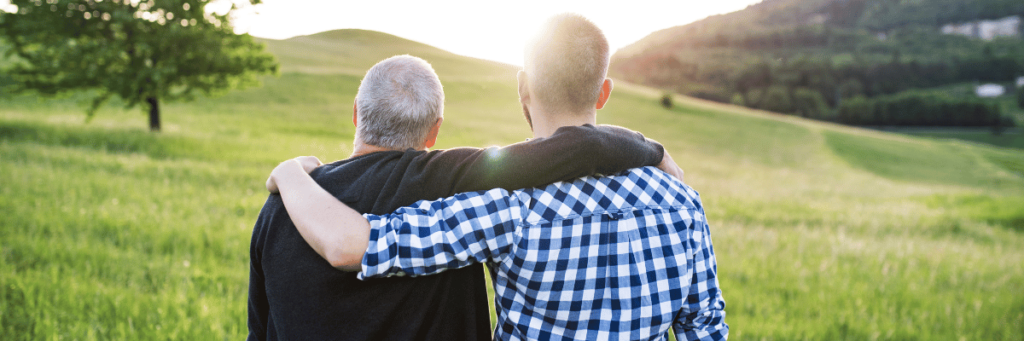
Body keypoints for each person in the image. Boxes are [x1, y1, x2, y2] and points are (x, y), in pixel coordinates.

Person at [269, 14, 726, 341]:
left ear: (524, 88)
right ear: (603, 92)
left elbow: (355, 246)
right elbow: (704, 330)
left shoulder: (507, 207)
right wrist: (653, 150)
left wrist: (291, 174)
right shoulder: (682, 204)